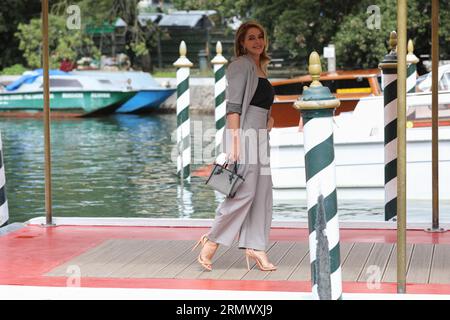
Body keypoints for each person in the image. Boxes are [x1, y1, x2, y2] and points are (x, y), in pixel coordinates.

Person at [192, 21, 277, 272]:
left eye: (260, 37)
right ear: (241, 42)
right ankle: (212, 240)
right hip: (243, 136)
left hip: (260, 136)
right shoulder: (240, 66)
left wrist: (269, 120)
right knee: (244, 192)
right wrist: (236, 143)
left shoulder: (260, 68)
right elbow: (234, 107)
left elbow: (261, 104)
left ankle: (256, 246)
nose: (257, 42)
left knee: (262, 193)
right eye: (251, 38)